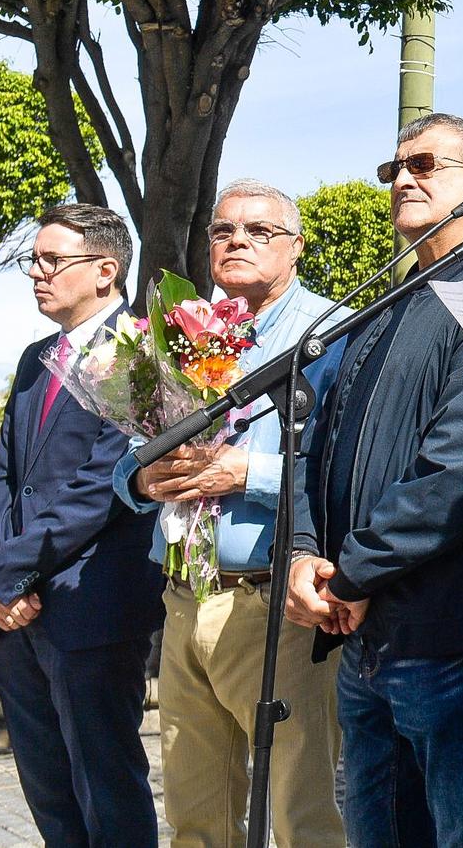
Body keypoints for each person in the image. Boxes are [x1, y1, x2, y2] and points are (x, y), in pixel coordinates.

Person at [285, 113, 463, 848]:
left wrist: (349, 576)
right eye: (394, 167)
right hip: (369, 635)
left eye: (426, 163)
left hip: (456, 636)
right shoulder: (387, 301)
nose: (403, 177)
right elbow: (318, 437)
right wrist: (306, 551)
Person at [113, 180, 346, 848]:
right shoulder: (179, 332)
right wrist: (143, 476)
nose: (237, 239)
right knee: (195, 818)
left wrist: (250, 472)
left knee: (303, 818)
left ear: (297, 247)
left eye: (259, 229)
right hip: (184, 594)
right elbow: (126, 458)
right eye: (223, 230)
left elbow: (344, 468)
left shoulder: (333, 333)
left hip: (277, 605)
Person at [0, 203, 165, 847]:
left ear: (106, 270)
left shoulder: (143, 353)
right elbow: (6, 472)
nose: (37, 273)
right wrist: (4, 579)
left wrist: (8, 572)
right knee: (49, 794)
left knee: (108, 792)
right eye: (35, 259)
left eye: (53, 261)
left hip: (93, 610)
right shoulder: (36, 358)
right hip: (20, 616)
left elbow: (101, 488)